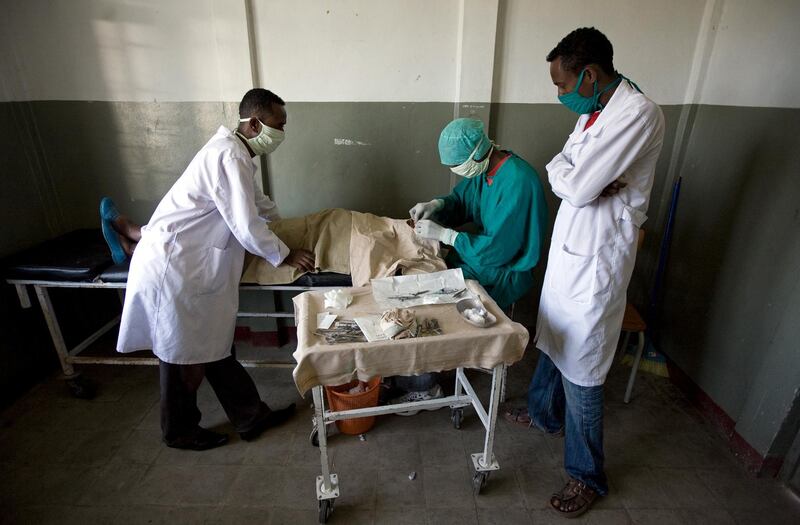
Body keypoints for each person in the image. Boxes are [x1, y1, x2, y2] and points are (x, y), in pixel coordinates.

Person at [504, 28, 665, 518]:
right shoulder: (595, 111)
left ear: (590, 74)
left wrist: (579, 178)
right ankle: (542, 414)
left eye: (562, 84)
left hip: (598, 260)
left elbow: (575, 187)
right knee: (553, 337)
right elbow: (563, 169)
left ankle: (587, 475)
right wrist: (577, 175)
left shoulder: (638, 113)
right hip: (571, 248)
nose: (560, 94)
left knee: (585, 371)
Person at [116, 88, 316, 451]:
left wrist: (290, 227)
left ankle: (250, 416)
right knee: (180, 356)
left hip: (192, 263)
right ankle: (178, 432)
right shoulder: (229, 156)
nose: (282, 133)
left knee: (214, 348)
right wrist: (285, 253)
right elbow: (246, 224)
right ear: (255, 123)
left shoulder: (238, 153)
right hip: (176, 267)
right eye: (279, 124)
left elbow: (258, 204)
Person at [388, 118, 548, 412]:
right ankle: (409, 372)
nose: (458, 172)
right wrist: (436, 205)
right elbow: (461, 200)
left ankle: (426, 387)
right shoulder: (486, 170)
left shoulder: (518, 181)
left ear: (476, 153)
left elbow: (499, 250)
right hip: (479, 254)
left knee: (433, 302)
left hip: (505, 269)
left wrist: (447, 235)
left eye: (458, 165)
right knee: (417, 276)